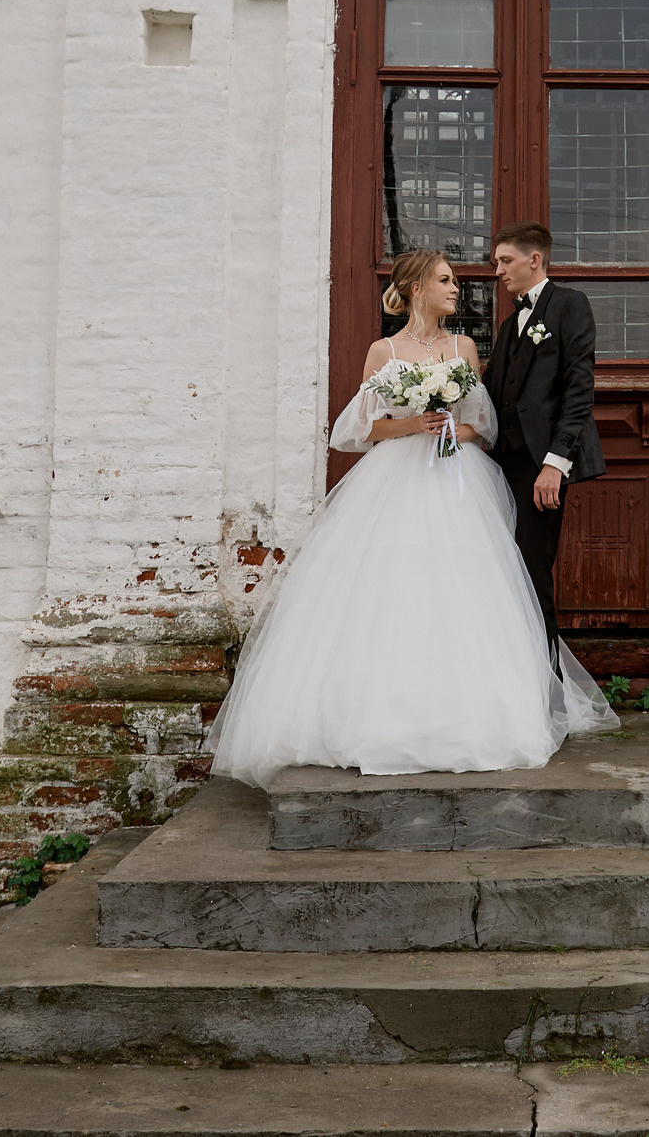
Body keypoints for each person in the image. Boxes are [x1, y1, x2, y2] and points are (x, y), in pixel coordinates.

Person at [208, 248, 617, 786]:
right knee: (391, 591)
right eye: (446, 281)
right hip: (396, 479)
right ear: (418, 287)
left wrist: (450, 428)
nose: (457, 289)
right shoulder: (383, 351)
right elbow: (357, 431)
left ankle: (473, 712)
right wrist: (413, 425)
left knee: (463, 590)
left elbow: (485, 427)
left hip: (457, 480)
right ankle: (380, 714)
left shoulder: (464, 347)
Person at [487, 222, 606, 660]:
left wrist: (555, 464)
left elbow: (579, 390)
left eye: (505, 260)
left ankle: (549, 692)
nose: (498, 270)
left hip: (542, 468)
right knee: (504, 575)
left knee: (534, 574)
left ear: (533, 260)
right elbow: (492, 394)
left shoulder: (570, 306)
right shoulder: (508, 326)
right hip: (501, 466)